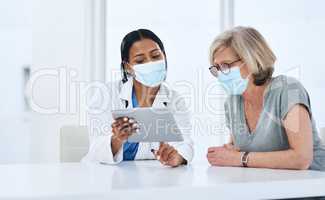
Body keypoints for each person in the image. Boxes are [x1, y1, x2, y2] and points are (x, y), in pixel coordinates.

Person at [207, 26, 325, 171]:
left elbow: (301, 159)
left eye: (226, 65)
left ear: (251, 60)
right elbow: (237, 151)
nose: (220, 74)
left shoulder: (288, 90)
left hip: (312, 185)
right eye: (216, 68)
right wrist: (224, 154)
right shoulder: (232, 102)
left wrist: (239, 158)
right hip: (268, 187)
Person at [83, 29, 193, 167]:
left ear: (164, 56)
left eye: (155, 56)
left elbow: (185, 145)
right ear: (128, 67)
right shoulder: (106, 94)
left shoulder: (175, 100)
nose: (150, 63)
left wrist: (177, 157)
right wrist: (117, 139)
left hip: (151, 177)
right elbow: (95, 149)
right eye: (140, 60)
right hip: (105, 176)